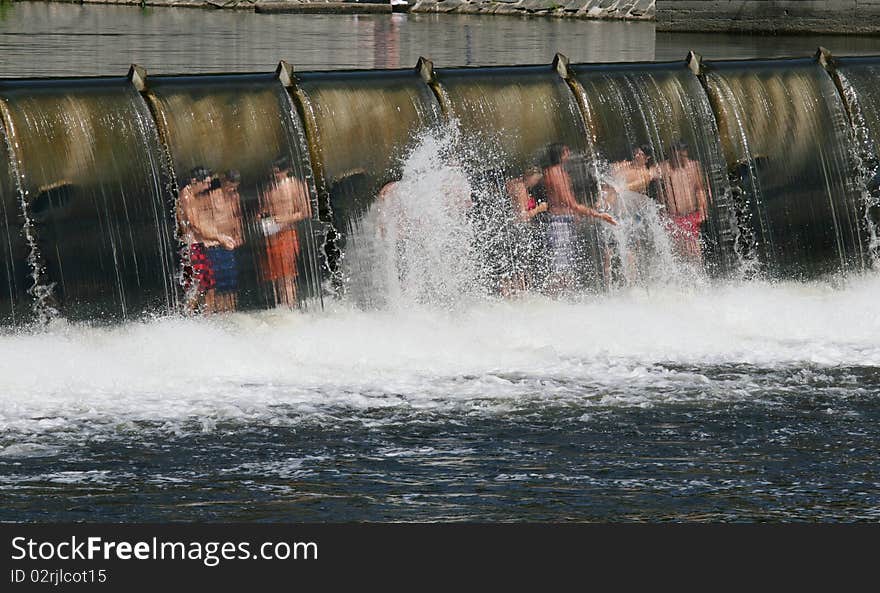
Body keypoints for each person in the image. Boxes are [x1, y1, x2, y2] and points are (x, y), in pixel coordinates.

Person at [541, 143, 617, 287]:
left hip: (565, 221)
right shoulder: (555, 173)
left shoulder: (558, 172)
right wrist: (599, 215)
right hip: (560, 224)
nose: (570, 153)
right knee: (562, 268)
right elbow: (571, 204)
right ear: (561, 154)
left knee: (567, 266)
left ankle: (565, 300)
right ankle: (556, 301)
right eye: (566, 151)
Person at [259, 158, 312, 307]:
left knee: (288, 275)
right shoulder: (269, 187)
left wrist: (285, 219)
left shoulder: (296, 185)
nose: (275, 174)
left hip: (287, 233)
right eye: (273, 171)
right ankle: (280, 307)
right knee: (275, 276)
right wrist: (261, 215)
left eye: (278, 172)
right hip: (271, 234)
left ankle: (290, 306)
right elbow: (263, 208)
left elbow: (306, 211)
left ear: (286, 170)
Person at [657, 140, 709, 263]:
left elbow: (700, 189)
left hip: (691, 214)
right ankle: (683, 279)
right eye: (679, 154)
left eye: (684, 154)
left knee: (694, 250)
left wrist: (703, 209)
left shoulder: (693, 166)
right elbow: (649, 175)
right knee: (678, 252)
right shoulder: (664, 168)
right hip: (672, 217)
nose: (682, 157)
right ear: (672, 154)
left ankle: (699, 278)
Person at [178, 166, 216, 312]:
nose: (208, 186)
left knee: (209, 286)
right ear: (194, 181)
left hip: (198, 246)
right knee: (194, 287)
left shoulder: (194, 196)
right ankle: (188, 319)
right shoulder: (186, 196)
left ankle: (208, 319)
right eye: (205, 183)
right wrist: (218, 237)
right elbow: (194, 225)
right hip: (191, 248)